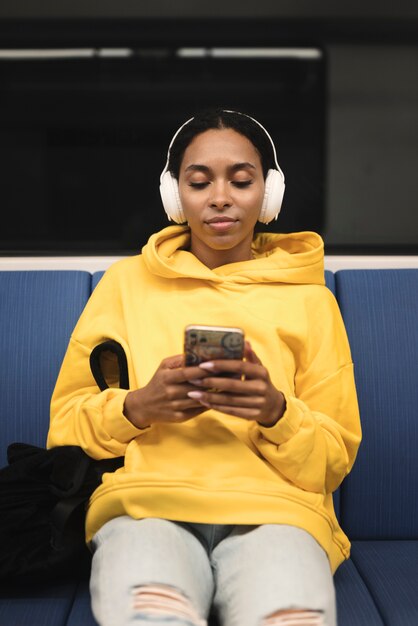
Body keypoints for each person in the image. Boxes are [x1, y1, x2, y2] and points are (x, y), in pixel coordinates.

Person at [47, 108, 362, 626]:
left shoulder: (311, 301)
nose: (220, 197)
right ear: (175, 195)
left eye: (241, 181)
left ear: (269, 194)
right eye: (199, 182)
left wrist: (276, 412)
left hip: (279, 515)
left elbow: (332, 460)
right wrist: (138, 407)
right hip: (147, 509)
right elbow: (67, 428)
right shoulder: (125, 286)